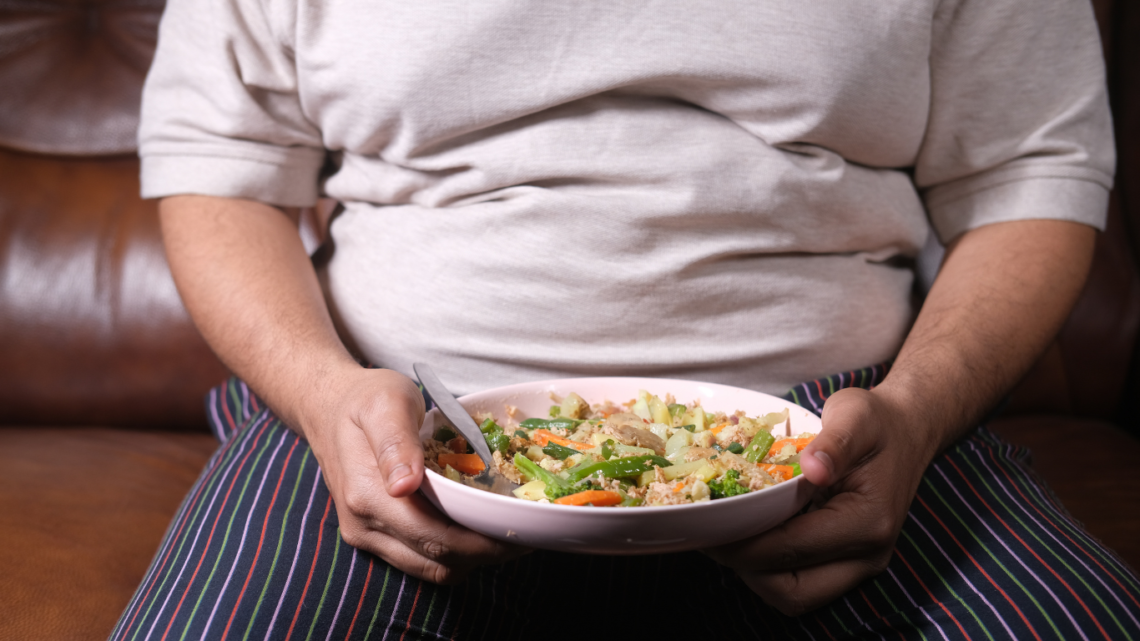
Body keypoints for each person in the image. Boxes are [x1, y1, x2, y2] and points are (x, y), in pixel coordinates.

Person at [110, 0, 1140, 639]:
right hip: (391, 414)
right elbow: (220, 168)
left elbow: (1030, 173)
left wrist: (914, 415)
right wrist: (322, 391)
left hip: (848, 423)